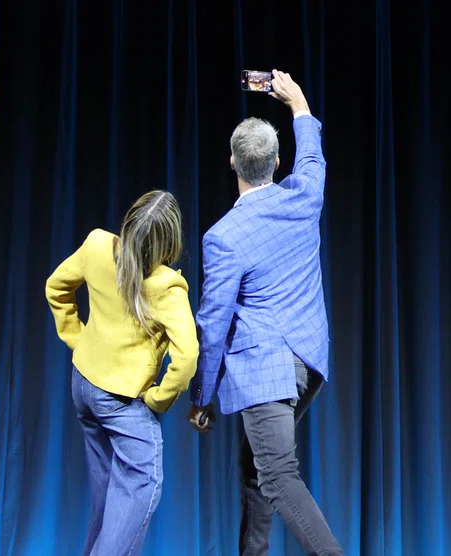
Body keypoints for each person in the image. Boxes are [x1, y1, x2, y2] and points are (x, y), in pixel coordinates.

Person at [187, 70, 343, 555]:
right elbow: (312, 157)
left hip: (266, 372)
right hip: (308, 363)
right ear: (277, 163)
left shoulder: (223, 237)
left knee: (276, 474)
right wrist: (299, 106)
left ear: (232, 161)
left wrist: (201, 395)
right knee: (256, 469)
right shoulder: (304, 196)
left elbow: (213, 325)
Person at [46, 190, 199, 556]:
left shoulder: (98, 245)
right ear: (169, 241)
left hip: (84, 387)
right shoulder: (166, 287)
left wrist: (78, 340)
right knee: (140, 487)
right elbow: (188, 357)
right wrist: (159, 399)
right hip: (122, 401)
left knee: (110, 502)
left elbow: (56, 287)